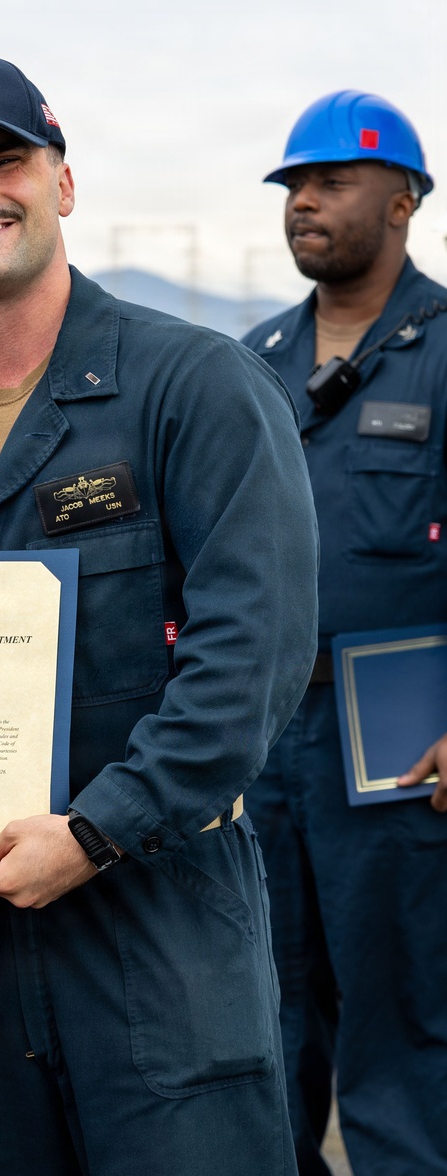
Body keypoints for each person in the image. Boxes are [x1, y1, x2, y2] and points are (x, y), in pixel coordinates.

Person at [0, 52, 319, 1176]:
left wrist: (92, 831)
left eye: (2, 159)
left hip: (153, 919)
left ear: (62, 184)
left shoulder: (194, 385)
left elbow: (250, 657)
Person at [242, 91, 447, 1176]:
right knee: (264, 1013)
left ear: (404, 199)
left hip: (404, 747)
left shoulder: (443, 347)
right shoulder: (254, 360)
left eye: (328, 181)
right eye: (291, 186)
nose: (303, 201)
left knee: (400, 1010)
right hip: (269, 738)